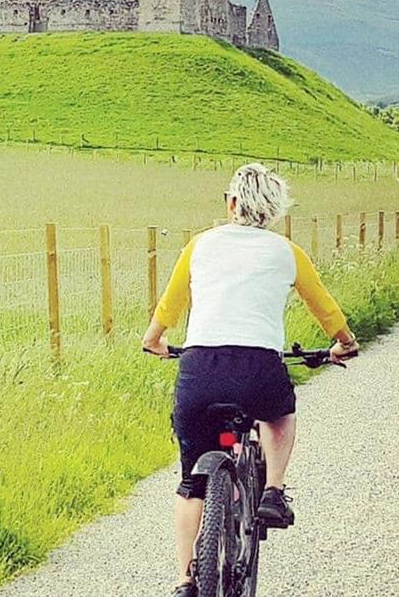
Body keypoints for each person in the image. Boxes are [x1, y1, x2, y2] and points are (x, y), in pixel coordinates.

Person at [141, 163, 359, 597]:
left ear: (232, 202)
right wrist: (343, 343)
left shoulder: (199, 245)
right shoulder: (286, 252)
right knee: (279, 416)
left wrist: (155, 340)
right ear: (274, 211)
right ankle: (274, 491)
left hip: (200, 370)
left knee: (191, 483)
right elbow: (325, 308)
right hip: (259, 368)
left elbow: (170, 305)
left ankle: (185, 578)